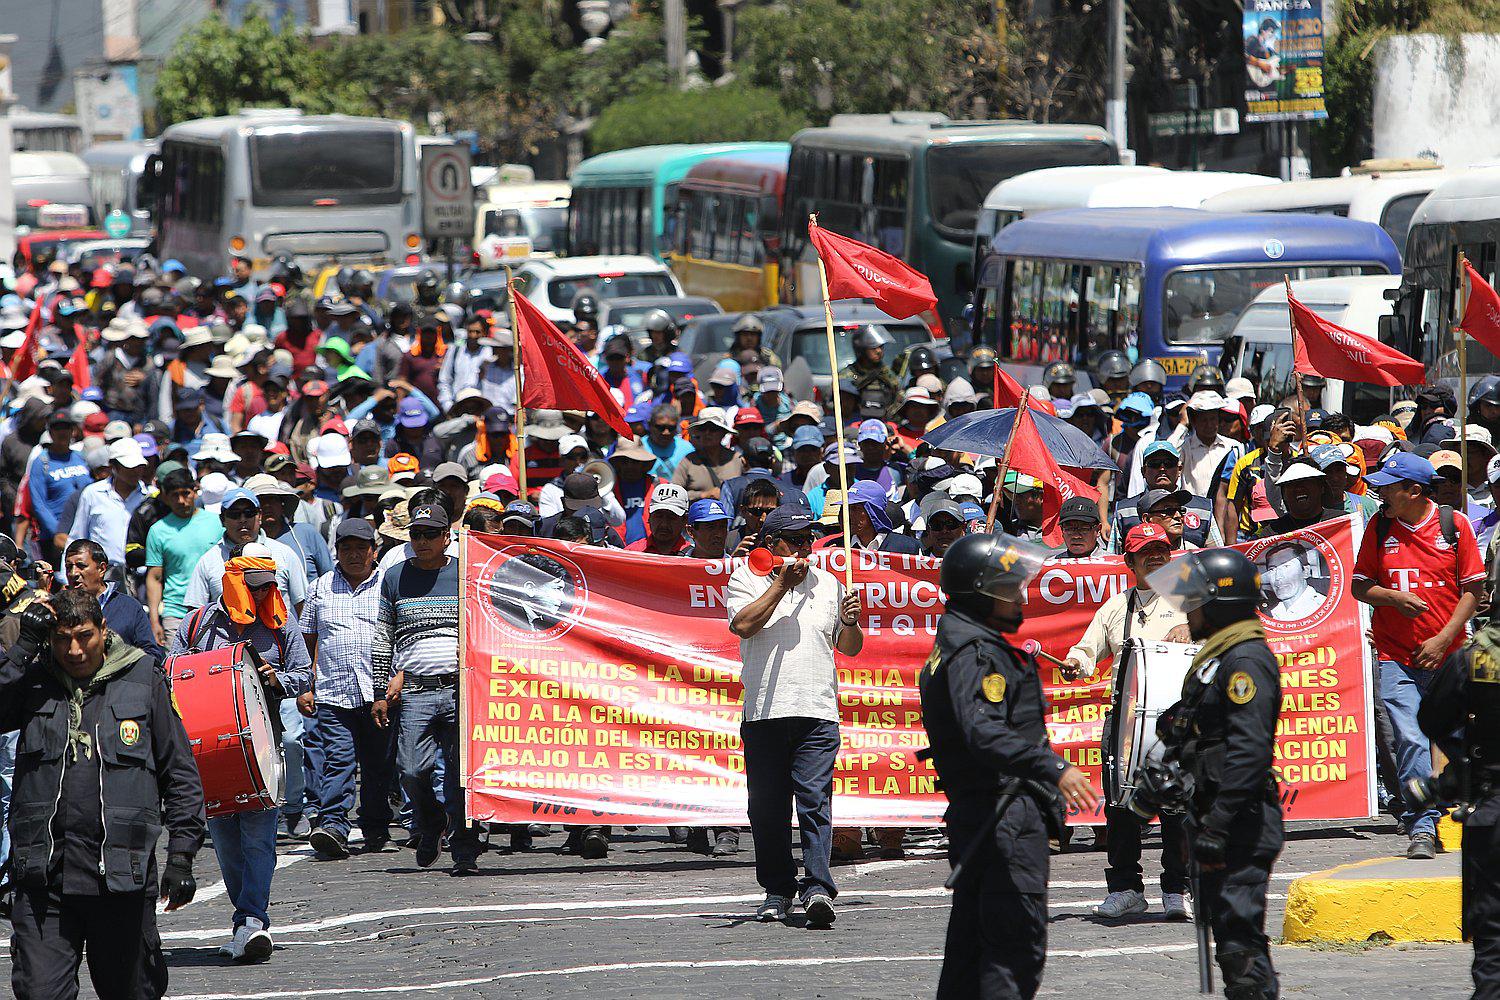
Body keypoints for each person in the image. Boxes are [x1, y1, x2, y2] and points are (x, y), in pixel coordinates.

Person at [0, 589, 204, 1000]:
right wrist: (22, 647)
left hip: (121, 879)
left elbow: (179, 772)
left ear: (104, 630)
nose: (74, 650)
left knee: (131, 991)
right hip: (45, 879)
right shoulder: (33, 680)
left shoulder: (144, 677)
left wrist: (181, 855)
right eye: (61, 639)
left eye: (84, 637)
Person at [920, 533, 1098, 999]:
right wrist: (1053, 767)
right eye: (1009, 587)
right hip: (1002, 817)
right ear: (981, 594)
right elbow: (984, 731)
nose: (1022, 594)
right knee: (1011, 953)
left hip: (986, 813)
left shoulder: (962, 640)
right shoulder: (976, 653)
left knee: (970, 955)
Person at [1150, 548, 1284, 1000]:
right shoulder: (1214, 658)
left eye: (1195, 601)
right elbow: (1189, 723)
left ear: (1220, 604)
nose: (1188, 610)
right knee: (1228, 935)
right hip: (1215, 815)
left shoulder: (1244, 660)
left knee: (1240, 942)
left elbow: (1249, 751)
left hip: (1240, 820)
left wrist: (1220, 822)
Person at [169, 549, 311, 963]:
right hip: (208, 748)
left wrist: (277, 678)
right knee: (226, 841)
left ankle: (252, 919)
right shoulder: (197, 623)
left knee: (258, 837)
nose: (267, 592)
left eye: (271, 585)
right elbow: (170, 670)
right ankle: (245, 916)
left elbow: (303, 673)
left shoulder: (282, 623)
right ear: (235, 584)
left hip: (262, 742)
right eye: (257, 586)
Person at [726, 504, 863, 927]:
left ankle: (819, 887)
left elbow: (851, 647)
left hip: (817, 709)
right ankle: (778, 889)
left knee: (814, 800)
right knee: (766, 808)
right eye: (797, 540)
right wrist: (782, 585)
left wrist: (852, 622)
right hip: (765, 711)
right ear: (772, 543)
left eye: (810, 539)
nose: (807, 547)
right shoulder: (745, 576)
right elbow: (744, 625)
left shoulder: (831, 584)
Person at [1354, 451, 1485, 859]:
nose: (1380, 495)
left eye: (1388, 488)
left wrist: (1444, 640)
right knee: (1410, 738)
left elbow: (1473, 591)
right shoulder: (1378, 527)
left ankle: (1454, 808)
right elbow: (1360, 585)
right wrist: (1391, 597)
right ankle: (1422, 827)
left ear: (1413, 491)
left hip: (1448, 658)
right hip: (1396, 657)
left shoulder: (1454, 525)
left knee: (1455, 740)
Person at [1061, 523, 1190, 920]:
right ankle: (1125, 887)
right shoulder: (1115, 608)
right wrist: (1075, 663)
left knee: (1178, 808)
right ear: (1129, 561)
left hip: (1178, 721)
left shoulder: (1193, 599)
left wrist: (1194, 626)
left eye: (1161, 549)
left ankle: (1177, 888)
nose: (1155, 556)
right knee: (1121, 808)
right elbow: (1087, 650)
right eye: (1145, 551)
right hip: (1125, 721)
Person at [371, 501, 480, 874]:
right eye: (416, 534)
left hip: (460, 689)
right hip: (416, 689)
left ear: (447, 537)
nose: (423, 541)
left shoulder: (466, 573)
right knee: (411, 770)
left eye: (431, 534)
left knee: (459, 775)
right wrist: (379, 692)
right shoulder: (395, 577)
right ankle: (431, 821)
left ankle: (465, 848)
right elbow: (383, 636)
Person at [1417, 620, 1500, 998]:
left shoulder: (1478, 656)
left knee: (1494, 936)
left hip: (1492, 803)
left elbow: (1433, 718)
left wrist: (1467, 763)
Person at [302, 518, 393, 860]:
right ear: (336, 551)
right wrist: (306, 685)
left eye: (361, 548)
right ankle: (333, 826)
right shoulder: (320, 587)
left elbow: (401, 633)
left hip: (379, 693)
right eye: (346, 548)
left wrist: (396, 678)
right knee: (338, 760)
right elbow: (307, 639)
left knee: (377, 765)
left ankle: (376, 828)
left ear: (373, 551)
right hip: (333, 690)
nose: (354, 555)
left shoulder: (388, 583)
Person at [144, 466, 224, 645]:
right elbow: (155, 577)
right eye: (174, 495)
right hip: (176, 614)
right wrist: (154, 620)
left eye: (185, 493)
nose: (181, 500)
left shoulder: (217, 523)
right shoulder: (158, 531)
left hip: (216, 611)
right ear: (165, 497)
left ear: (195, 491)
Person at [64, 538, 164, 662]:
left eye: (81, 566)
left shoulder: (129, 607)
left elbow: (151, 654)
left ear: (101, 569)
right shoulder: (59, 609)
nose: (73, 573)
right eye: (69, 567)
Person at [66, 436, 149, 567]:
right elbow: (77, 536)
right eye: (129, 467)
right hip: (103, 574)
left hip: (141, 574)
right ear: (113, 466)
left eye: (139, 466)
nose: (135, 471)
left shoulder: (150, 496)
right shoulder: (92, 494)